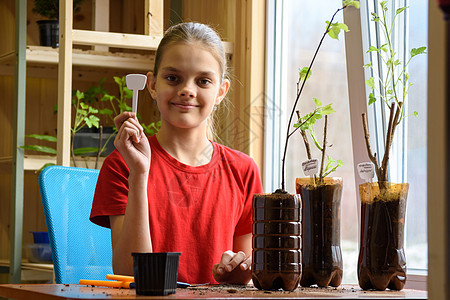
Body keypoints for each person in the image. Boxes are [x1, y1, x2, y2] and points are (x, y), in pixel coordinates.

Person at [90, 22, 263, 285]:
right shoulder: (122, 165)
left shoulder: (243, 170)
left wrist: (237, 270)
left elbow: (248, 271)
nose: (187, 90)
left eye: (203, 81)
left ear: (220, 92)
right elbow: (129, 274)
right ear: (151, 85)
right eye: (173, 78)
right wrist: (139, 174)